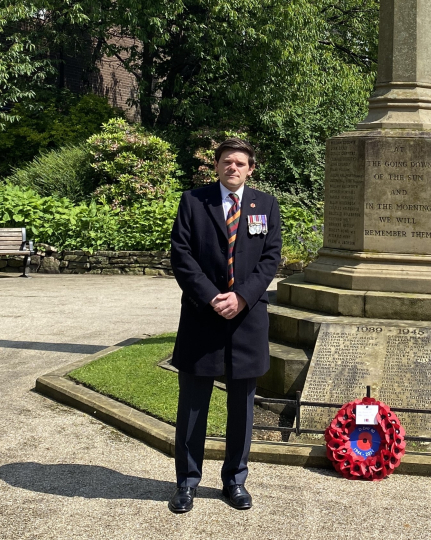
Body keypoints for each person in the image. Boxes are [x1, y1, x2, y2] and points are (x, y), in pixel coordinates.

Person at [168, 138, 281, 513]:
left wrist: (243, 297)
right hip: (203, 317)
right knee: (193, 407)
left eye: (240, 163)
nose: (233, 168)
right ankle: (186, 483)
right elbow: (181, 255)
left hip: (247, 321)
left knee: (242, 409)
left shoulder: (265, 205)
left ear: (251, 169)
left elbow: (271, 258)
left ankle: (234, 481)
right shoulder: (193, 202)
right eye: (226, 162)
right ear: (215, 166)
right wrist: (212, 296)